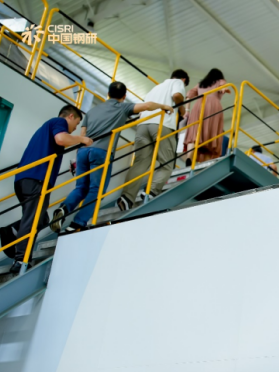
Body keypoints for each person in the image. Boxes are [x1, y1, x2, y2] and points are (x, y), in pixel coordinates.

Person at [50, 82, 172, 233]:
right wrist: (164, 106)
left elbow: (82, 135)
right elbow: (147, 106)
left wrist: (77, 159)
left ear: (108, 94)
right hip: (101, 152)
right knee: (96, 190)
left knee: (81, 187)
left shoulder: (92, 111)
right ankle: (77, 223)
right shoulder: (122, 107)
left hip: (82, 152)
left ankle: (64, 209)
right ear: (124, 96)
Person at [10, 105, 91, 273]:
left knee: (41, 219)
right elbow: (61, 139)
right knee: (33, 219)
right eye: (76, 123)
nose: (75, 128)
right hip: (36, 179)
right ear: (70, 116)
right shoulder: (59, 122)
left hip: (24, 179)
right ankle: (20, 260)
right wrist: (82, 139)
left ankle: (15, 230)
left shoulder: (46, 129)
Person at [116, 69, 189, 211]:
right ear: (184, 80)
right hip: (162, 124)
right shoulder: (178, 82)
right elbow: (177, 95)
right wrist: (182, 109)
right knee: (167, 163)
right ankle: (151, 192)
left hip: (143, 125)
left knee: (140, 163)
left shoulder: (155, 88)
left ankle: (126, 198)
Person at [183, 68, 230, 164]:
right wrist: (224, 89)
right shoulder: (220, 81)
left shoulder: (201, 84)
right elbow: (222, 87)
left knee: (195, 131)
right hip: (213, 106)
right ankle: (206, 163)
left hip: (199, 105)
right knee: (210, 135)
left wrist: (187, 111)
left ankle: (189, 157)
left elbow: (189, 95)